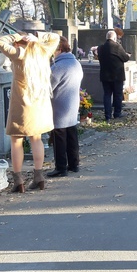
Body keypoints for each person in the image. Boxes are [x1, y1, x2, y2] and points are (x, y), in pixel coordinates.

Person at [0, 31, 60, 193]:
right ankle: (38, 176)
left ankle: (18, 180)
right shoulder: (43, 53)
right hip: (39, 102)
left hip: (22, 102)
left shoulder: (19, 54)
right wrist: (37, 38)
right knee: (36, 138)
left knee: (16, 140)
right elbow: (56, 37)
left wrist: (16, 36)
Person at [48, 36, 83, 177]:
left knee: (59, 136)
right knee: (71, 134)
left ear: (59, 49)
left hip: (59, 105)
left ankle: (61, 167)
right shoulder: (75, 62)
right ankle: (74, 164)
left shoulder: (58, 66)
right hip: (72, 103)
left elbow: (49, 86)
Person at [97, 30, 131, 122]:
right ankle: (117, 113)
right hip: (117, 75)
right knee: (117, 95)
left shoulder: (100, 48)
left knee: (107, 95)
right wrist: (128, 55)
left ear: (106, 38)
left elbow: (99, 57)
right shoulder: (117, 47)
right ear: (115, 38)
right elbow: (125, 58)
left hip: (105, 75)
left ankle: (107, 115)